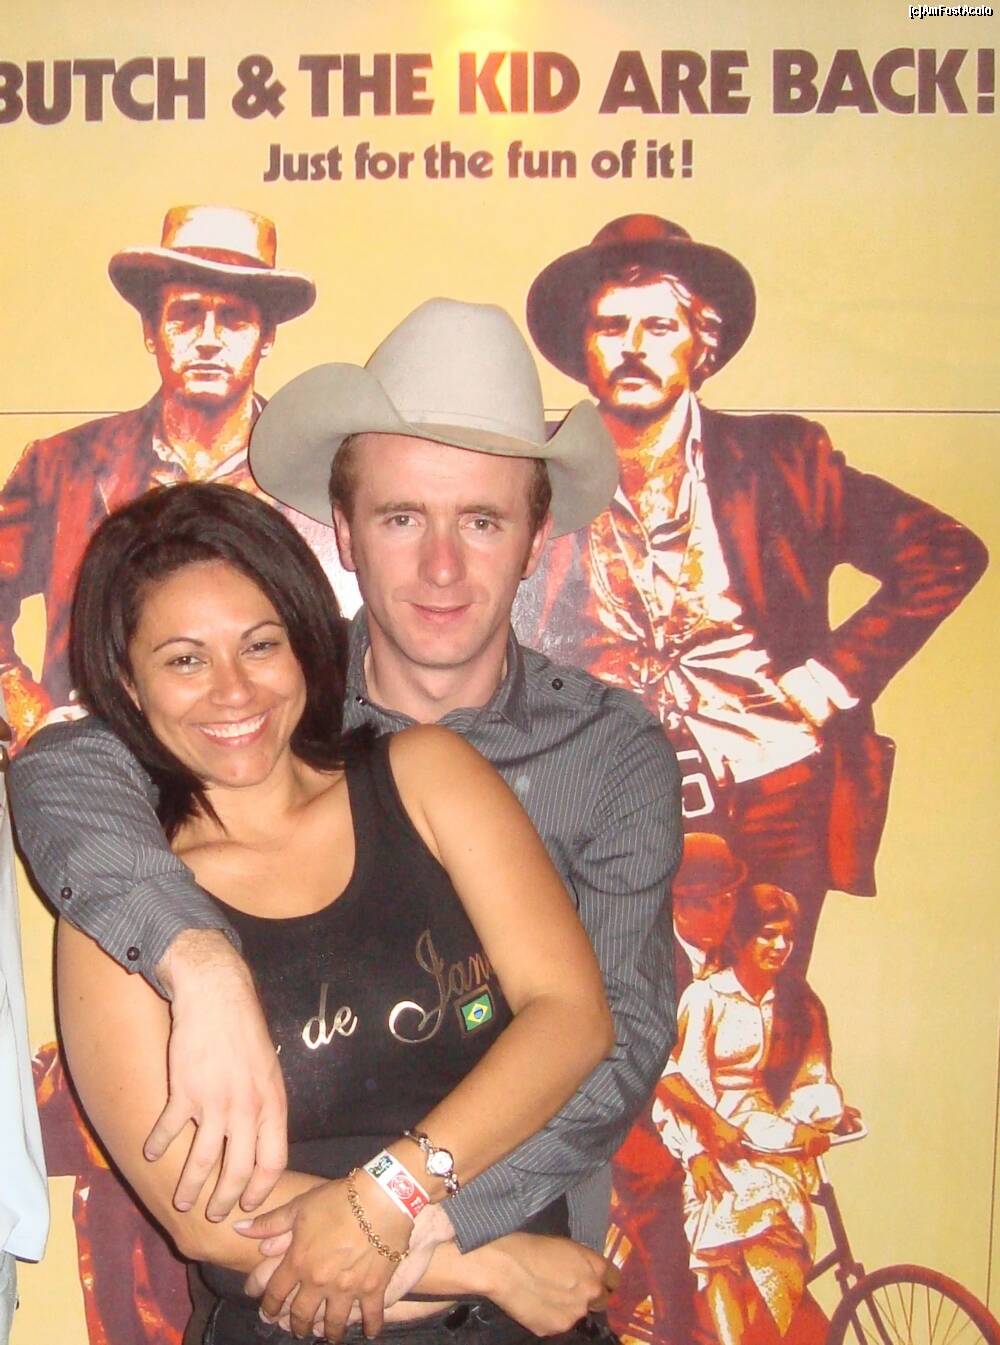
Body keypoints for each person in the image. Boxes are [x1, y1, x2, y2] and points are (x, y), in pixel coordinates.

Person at [10, 299, 681, 1333]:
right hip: (375, 1292)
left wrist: (394, 1214)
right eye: (403, 516)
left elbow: (607, 1031)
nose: (442, 566)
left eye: (482, 519)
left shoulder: (597, 749)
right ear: (347, 530)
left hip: (523, 1273)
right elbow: (61, 765)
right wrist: (203, 961)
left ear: (534, 537)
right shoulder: (245, 736)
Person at [49, 479, 617, 1344]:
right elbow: (198, 1210)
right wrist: (485, 1263)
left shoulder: (426, 775)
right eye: (185, 660)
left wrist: (387, 1195)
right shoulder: (123, 909)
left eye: (260, 644)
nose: (233, 691)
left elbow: (571, 1014)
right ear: (129, 683)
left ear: (304, 645)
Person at [521, 213, 988, 969]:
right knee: (607, 1008)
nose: (634, 347)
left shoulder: (783, 461)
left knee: (761, 1009)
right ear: (584, 347)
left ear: (701, 346)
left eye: (660, 327)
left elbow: (946, 551)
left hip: (773, 787)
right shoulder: (531, 471)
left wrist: (830, 679)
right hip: (606, 794)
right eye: (611, 326)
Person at [0, 203, 317, 744]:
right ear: (151, 331)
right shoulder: (62, 464)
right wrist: (25, 707)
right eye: (187, 315)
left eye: (234, 318)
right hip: (94, 769)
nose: (209, 339)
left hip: (262, 766)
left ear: (267, 338)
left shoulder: (314, 478)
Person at [652, 883, 844, 1345]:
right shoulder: (707, 997)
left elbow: (812, 1073)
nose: (780, 946)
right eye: (768, 935)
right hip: (710, 1129)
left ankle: (760, 1330)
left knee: (786, 1222)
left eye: (787, 937)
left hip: (766, 1127)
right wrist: (697, 1150)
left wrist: (819, 1119)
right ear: (742, 938)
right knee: (726, 1228)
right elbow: (678, 1079)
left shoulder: (793, 1002)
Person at [609, 833, 745, 1345]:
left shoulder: (730, 954)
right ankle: (674, 1331)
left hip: (685, 1116)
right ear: (677, 905)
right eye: (705, 904)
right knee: (668, 1220)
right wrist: (709, 1122)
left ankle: (615, 1313)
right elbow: (654, 1062)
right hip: (630, 1116)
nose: (720, 915)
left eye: (727, 901)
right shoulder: (650, 961)